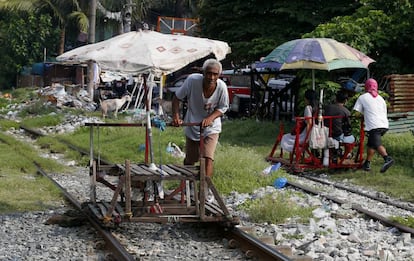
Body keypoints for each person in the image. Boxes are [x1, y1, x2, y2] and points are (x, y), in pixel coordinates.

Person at [172, 58, 229, 200]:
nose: (212, 77)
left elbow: (223, 107)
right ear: (203, 73)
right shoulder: (192, 81)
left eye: (215, 74)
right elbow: (176, 98)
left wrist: (211, 118)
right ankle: (187, 186)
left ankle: (204, 190)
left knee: (208, 157)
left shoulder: (221, 87)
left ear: (219, 75)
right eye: (209, 73)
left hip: (211, 127)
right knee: (191, 159)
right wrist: (176, 117)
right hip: (193, 124)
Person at [353, 78, 394, 173]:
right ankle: (367, 164)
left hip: (373, 125)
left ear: (366, 87)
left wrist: (361, 116)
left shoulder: (362, 97)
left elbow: (356, 113)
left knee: (376, 144)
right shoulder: (381, 99)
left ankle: (387, 158)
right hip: (384, 124)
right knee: (371, 145)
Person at [324, 90, 355, 163]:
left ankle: (337, 153)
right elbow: (348, 125)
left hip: (325, 133)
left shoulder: (327, 107)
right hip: (337, 135)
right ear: (345, 100)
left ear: (336, 98)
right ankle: (347, 154)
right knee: (352, 138)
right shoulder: (346, 111)